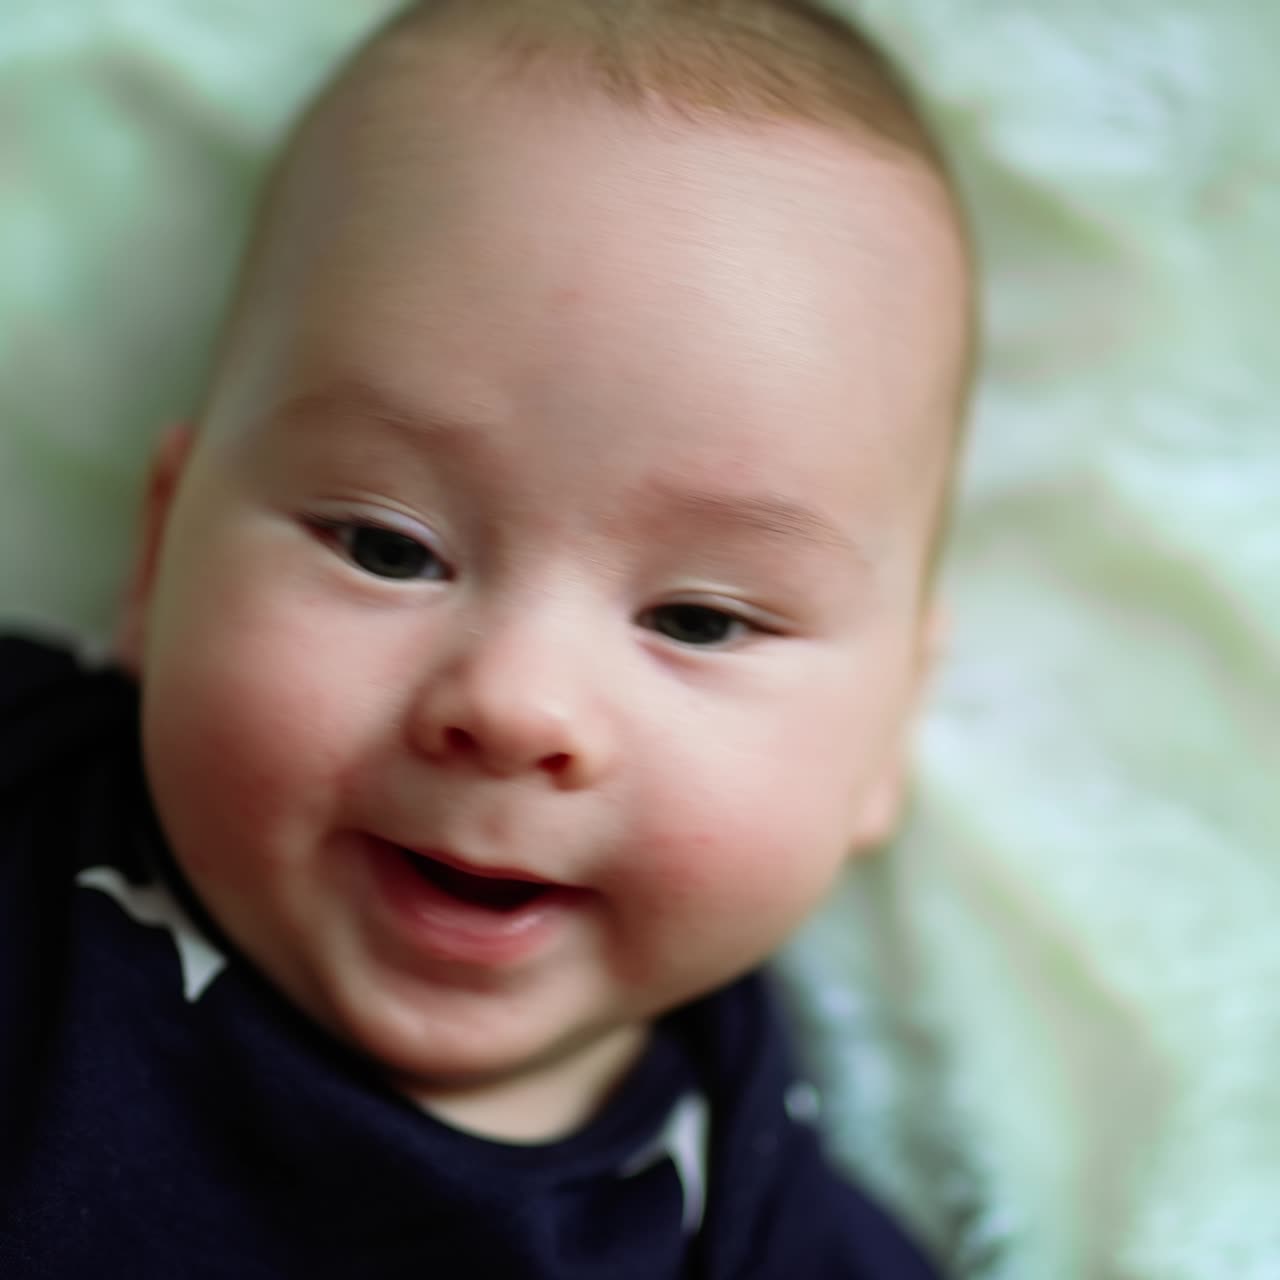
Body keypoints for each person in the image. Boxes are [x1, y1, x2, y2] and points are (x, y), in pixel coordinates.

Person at [0, 0, 974, 1274]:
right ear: (158, 555)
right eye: (386, 546)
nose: (515, 703)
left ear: (885, 733)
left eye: (696, 618)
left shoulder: (757, 1227)